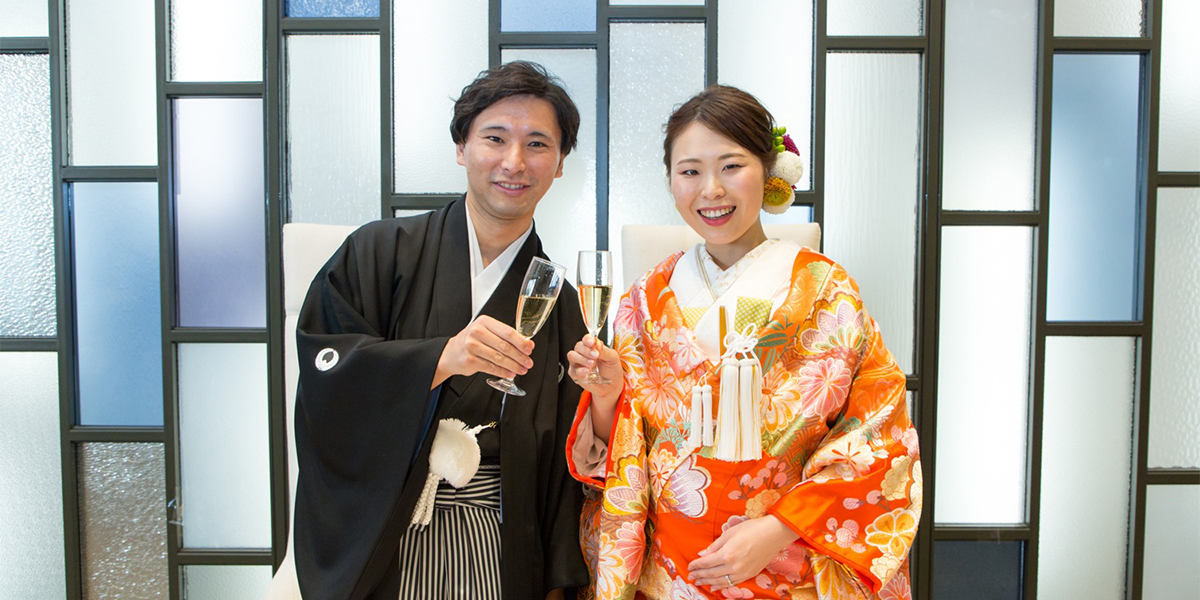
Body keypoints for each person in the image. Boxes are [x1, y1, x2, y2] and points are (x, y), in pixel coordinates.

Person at [565, 85, 921, 600]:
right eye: (690, 171)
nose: (711, 189)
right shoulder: (644, 298)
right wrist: (606, 395)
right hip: (671, 571)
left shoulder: (827, 291)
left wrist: (775, 530)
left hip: (789, 561)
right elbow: (625, 444)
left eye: (731, 166)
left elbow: (879, 437)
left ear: (768, 170)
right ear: (670, 180)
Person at [290, 61, 590, 600]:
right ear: (461, 146)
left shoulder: (561, 302)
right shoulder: (377, 253)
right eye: (494, 138)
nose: (514, 162)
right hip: (387, 535)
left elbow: (567, 465)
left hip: (502, 544)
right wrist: (441, 358)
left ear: (560, 162)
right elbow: (326, 376)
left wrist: (607, 399)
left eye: (537, 144)